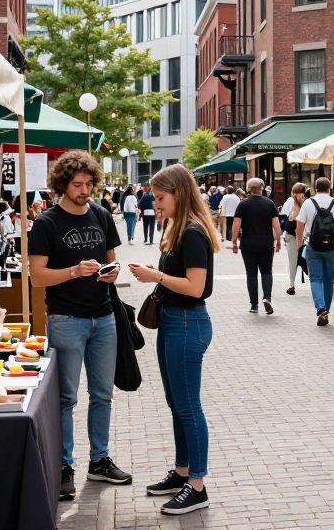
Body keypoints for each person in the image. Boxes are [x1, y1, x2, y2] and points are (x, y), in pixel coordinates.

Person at [28, 150, 128, 500]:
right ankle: (63, 465)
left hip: (103, 317)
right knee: (66, 398)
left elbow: (113, 263)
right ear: (62, 184)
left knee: (102, 394)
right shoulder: (47, 223)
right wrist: (72, 271)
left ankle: (99, 460)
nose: (84, 190)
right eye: (77, 184)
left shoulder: (101, 215)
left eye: (89, 184)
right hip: (66, 319)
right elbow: (37, 277)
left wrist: (111, 273)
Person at [129, 164, 218, 516]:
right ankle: (183, 472)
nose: (155, 203)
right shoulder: (177, 229)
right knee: (176, 403)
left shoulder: (192, 232)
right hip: (173, 322)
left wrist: (155, 275)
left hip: (186, 323)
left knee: (188, 406)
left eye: (160, 197)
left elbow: (196, 288)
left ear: (178, 194)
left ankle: (197, 485)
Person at [296, 176, 334, 327]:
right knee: (328, 280)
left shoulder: (308, 203)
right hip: (332, 246)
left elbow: (300, 224)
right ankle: (327, 311)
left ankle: (320, 308)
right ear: (330, 188)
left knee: (315, 279)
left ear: (315, 188)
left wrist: (299, 243)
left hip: (313, 245)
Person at [231, 177, 281, 314]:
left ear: (248, 188)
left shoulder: (243, 204)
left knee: (251, 274)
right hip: (266, 243)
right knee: (267, 272)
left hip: (248, 245)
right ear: (262, 188)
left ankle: (254, 304)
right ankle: (267, 297)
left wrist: (234, 241)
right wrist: (278, 241)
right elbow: (276, 225)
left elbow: (236, 225)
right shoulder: (269, 203)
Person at [279, 183, 308, 295]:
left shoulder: (291, 201)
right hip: (304, 235)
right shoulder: (307, 202)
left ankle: (292, 285)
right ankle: (317, 281)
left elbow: (284, 216)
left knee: (293, 261)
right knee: (306, 259)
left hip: (292, 235)